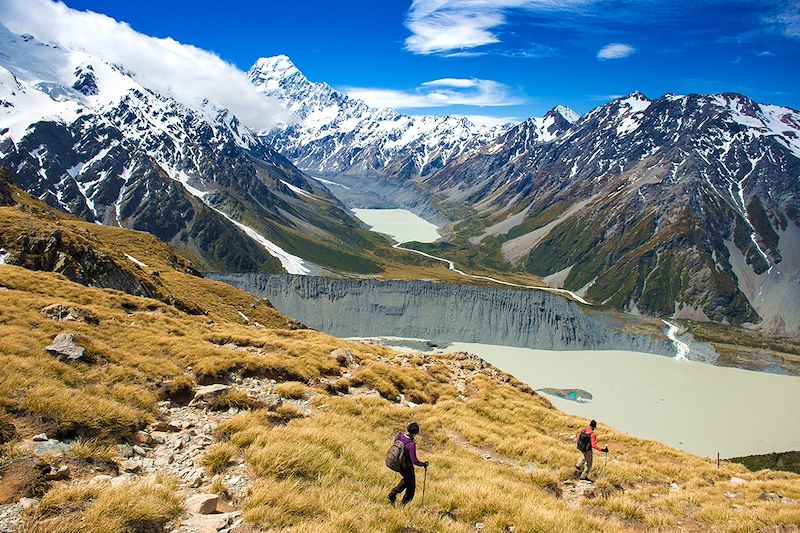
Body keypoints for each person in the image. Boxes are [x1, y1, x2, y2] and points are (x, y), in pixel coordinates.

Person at [388, 422, 429, 506]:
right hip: (407, 467)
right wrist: (423, 464)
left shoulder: (398, 436)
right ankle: (403, 505)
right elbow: (414, 461)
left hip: (398, 463)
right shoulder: (411, 444)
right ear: (415, 433)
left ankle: (393, 494)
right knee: (411, 487)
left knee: (406, 480)